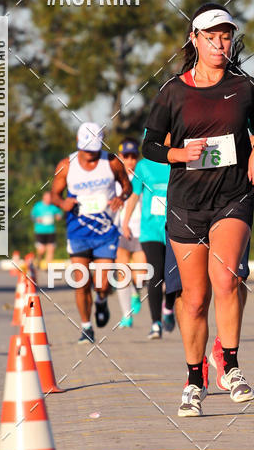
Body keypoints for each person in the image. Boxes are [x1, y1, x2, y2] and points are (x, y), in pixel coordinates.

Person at [142, 2, 254, 416]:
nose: (220, 43)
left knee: (228, 278)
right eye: (211, 36)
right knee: (194, 299)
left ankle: (231, 366)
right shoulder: (172, 92)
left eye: (226, 35)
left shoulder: (245, 86)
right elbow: (149, 145)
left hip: (232, 196)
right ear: (194, 40)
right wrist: (178, 154)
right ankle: (194, 379)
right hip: (186, 204)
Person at [165, 121, 254, 392]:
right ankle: (196, 364)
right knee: (188, 295)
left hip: (230, 202)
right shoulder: (177, 95)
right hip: (186, 206)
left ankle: (225, 353)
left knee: (233, 279)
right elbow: (159, 141)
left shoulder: (238, 90)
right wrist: (186, 146)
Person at [50, 122, 132, 344]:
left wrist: (120, 197)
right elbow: (55, 195)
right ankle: (87, 327)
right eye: (87, 149)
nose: (91, 154)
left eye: (95, 148)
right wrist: (63, 203)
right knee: (81, 281)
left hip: (105, 230)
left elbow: (127, 187)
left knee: (102, 282)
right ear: (79, 144)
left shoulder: (112, 162)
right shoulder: (67, 165)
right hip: (78, 231)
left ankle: (102, 299)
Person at [121, 149, 176, 338]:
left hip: (174, 228)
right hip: (150, 230)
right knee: (156, 274)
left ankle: (168, 307)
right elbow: (135, 195)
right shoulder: (143, 166)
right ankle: (156, 323)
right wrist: (125, 222)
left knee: (172, 275)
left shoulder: (178, 161)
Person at [113, 139, 148, 329]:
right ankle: (126, 315)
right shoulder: (116, 179)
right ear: (121, 157)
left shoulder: (143, 177)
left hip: (140, 230)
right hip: (120, 232)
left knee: (140, 274)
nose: (130, 160)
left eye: (134, 157)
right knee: (122, 273)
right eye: (126, 157)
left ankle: (136, 291)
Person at [30, 191, 63, 269]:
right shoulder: (38, 206)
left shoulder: (53, 207)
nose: (48, 199)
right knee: (41, 249)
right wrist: (36, 219)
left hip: (51, 231)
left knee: (51, 249)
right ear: (43, 198)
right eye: (47, 198)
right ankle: (38, 261)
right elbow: (32, 216)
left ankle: (48, 267)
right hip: (40, 231)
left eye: (50, 198)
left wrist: (59, 216)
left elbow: (60, 213)